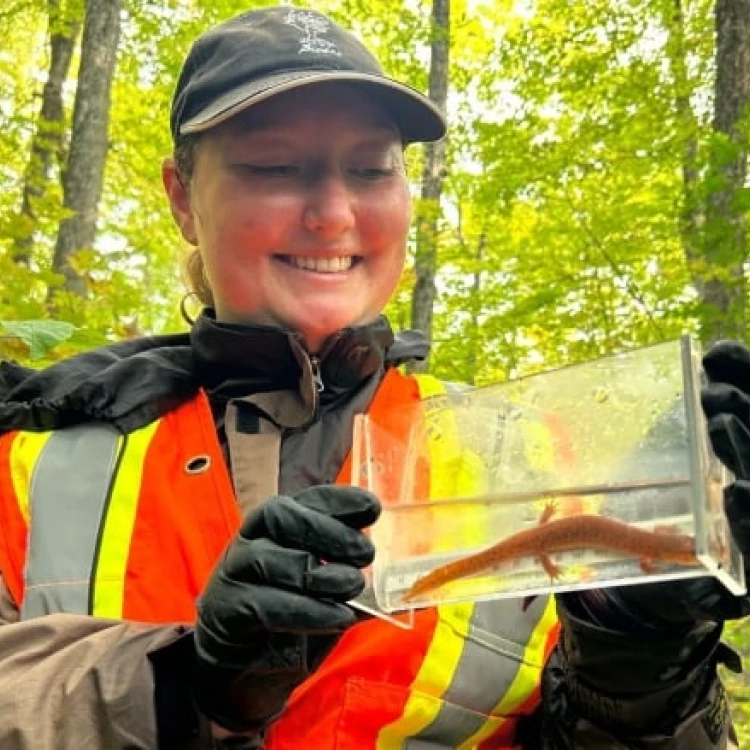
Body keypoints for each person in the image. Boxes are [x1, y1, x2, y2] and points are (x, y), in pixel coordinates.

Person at [0, 6, 748, 749]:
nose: (332, 212)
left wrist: (641, 658)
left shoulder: (526, 458)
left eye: (370, 169)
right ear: (182, 197)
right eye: (274, 167)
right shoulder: (33, 465)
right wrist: (186, 685)